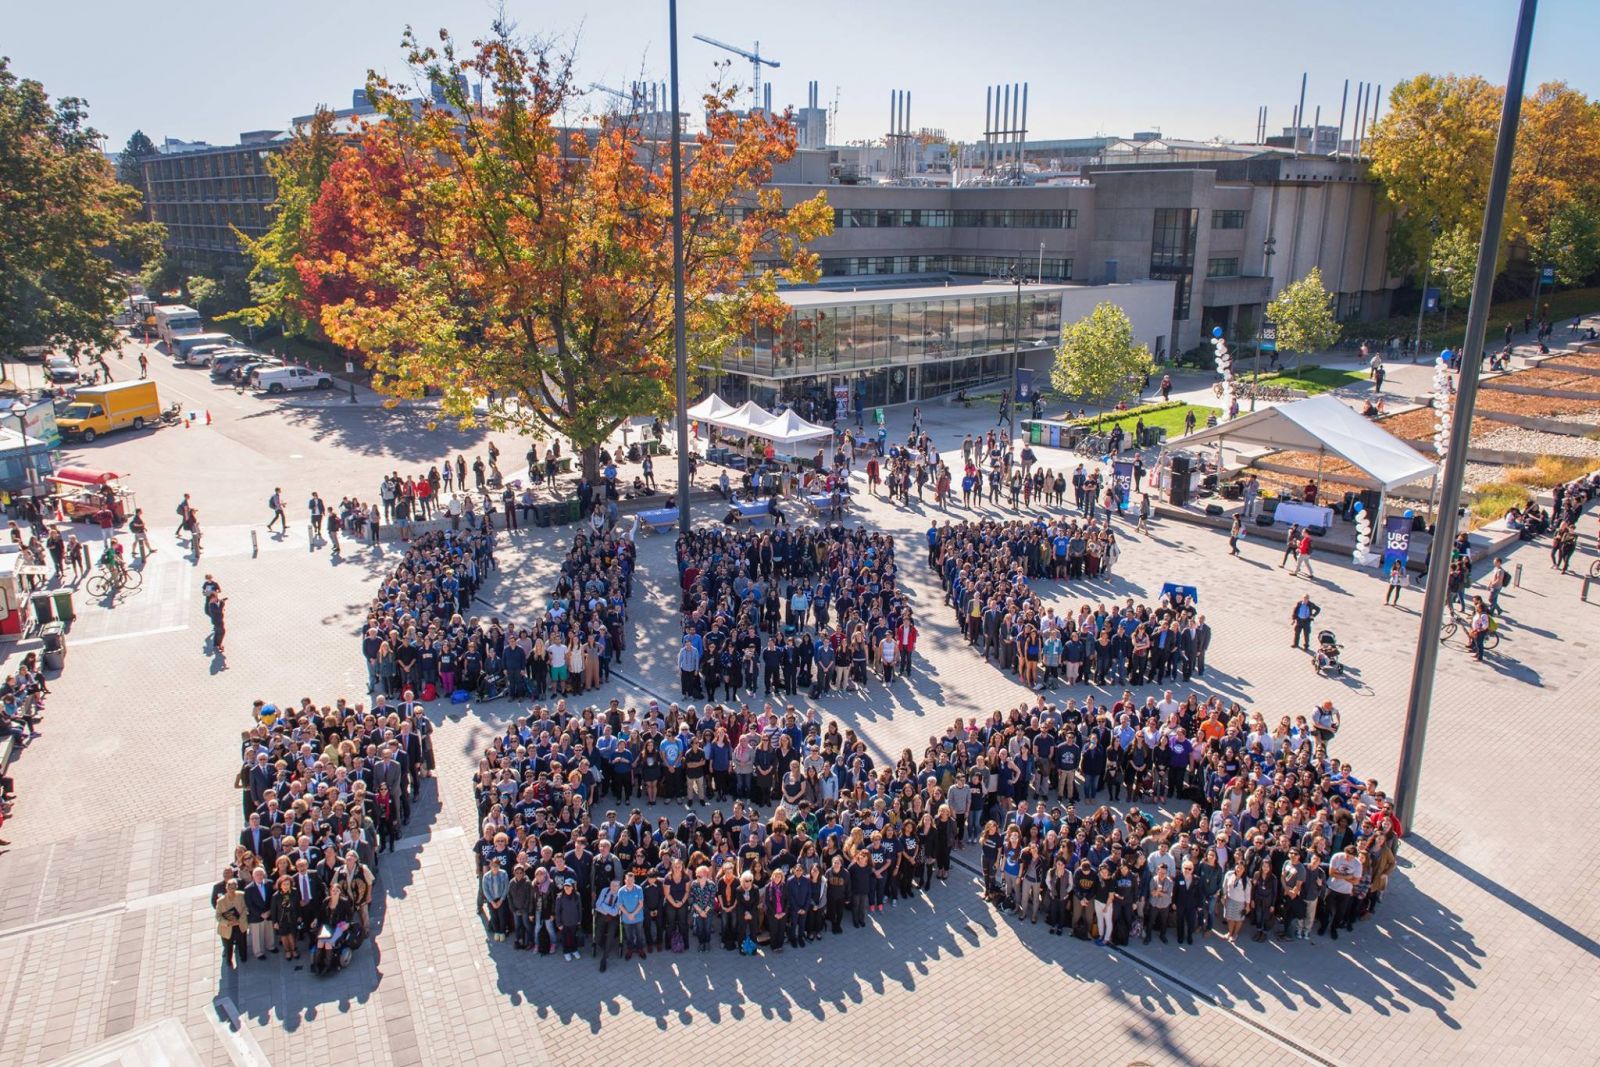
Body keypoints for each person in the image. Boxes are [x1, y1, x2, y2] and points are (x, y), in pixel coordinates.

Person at [215, 879, 247, 968]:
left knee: (242, 942)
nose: (231, 890)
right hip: (227, 927)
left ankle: (243, 957)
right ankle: (229, 960)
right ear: (226, 888)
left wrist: (240, 920)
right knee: (228, 945)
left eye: (233, 887)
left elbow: (245, 909)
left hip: (239, 924)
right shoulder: (221, 901)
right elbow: (218, 916)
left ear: (236, 887)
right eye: (229, 888)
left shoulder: (241, 895)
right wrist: (228, 923)